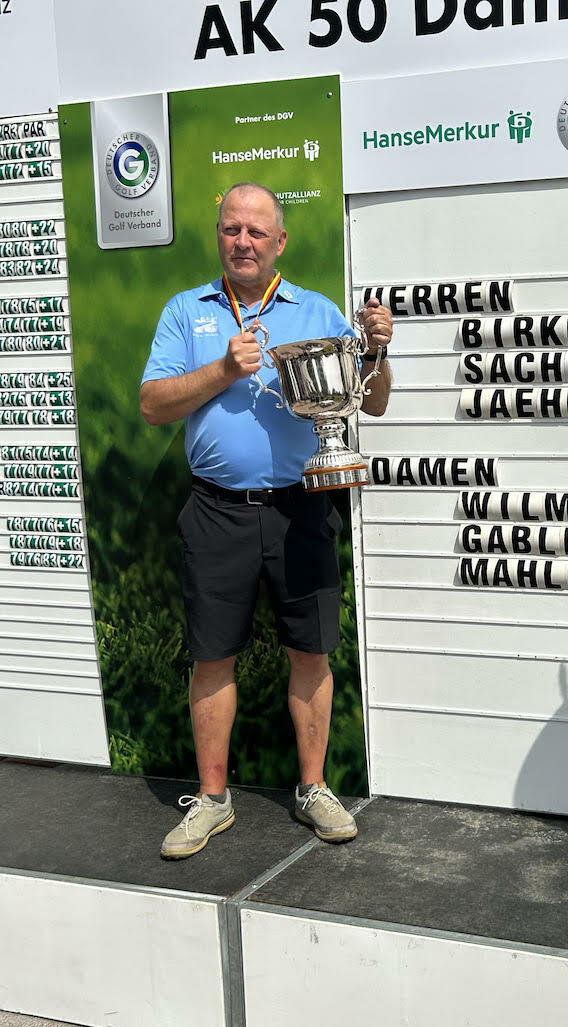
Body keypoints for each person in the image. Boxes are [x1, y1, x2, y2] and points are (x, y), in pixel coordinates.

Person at [140, 182, 393, 859]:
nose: (243, 242)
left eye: (256, 231)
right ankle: (213, 801)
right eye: (231, 230)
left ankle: (312, 789)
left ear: (279, 242)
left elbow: (370, 406)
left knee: (310, 651)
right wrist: (223, 368)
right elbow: (153, 406)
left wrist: (375, 350)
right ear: (218, 236)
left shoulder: (316, 310)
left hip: (301, 509)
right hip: (216, 510)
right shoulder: (183, 311)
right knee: (210, 656)